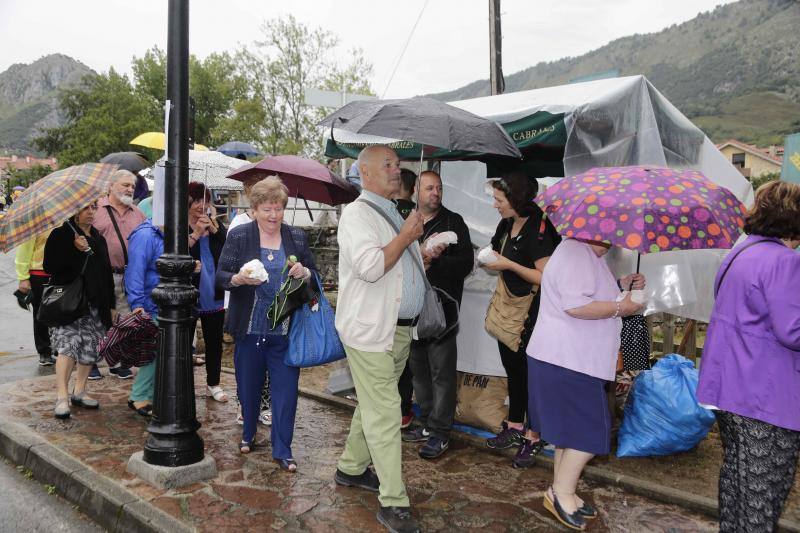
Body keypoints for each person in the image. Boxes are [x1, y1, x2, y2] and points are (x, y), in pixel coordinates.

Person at [697, 181, 800, 532]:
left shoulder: (739, 253)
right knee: (763, 490)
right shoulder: (784, 262)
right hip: (765, 394)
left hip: (729, 387)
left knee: (737, 481)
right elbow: (792, 330)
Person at [333, 145, 427, 533]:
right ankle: (393, 500)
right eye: (386, 165)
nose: (396, 169)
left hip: (398, 328)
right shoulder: (357, 214)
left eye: (396, 163)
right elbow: (371, 267)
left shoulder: (393, 210)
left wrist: (421, 250)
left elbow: (395, 267)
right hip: (371, 330)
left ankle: (351, 467)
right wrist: (407, 237)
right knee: (387, 408)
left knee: (373, 402)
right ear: (365, 174)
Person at [526, 237, 644, 530]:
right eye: (609, 236)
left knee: (568, 432)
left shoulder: (583, 253)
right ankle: (560, 493)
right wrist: (623, 308)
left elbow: (585, 288)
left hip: (569, 358)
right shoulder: (576, 252)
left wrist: (620, 284)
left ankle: (563, 490)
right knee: (589, 433)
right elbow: (576, 305)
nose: (613, 242)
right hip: (567, 359)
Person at [216, 176, 316, 471]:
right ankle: (248, 434)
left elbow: (315, 274)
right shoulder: (240, 236)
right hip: (249, 329)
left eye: (278, 209)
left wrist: (305, 272)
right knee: (248, 389)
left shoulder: (296, 237)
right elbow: (221, 275)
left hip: (286, 331)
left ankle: (283, 449)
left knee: (285, 393)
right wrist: (238, 279)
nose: (273, 216)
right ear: (255, 209)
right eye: (267, 209)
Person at [481, 173, 560, 468]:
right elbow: (496, 251)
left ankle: (534, 436)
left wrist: (508, 264)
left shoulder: (540, 229)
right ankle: (515, 426)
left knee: (532, 374)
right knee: (513, 368)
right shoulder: (506, 223)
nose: (494, 205)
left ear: (516, 200)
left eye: (499, 200)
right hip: (509, 308)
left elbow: (547, 276)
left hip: (533, 311)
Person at [401, 170, 474, 459]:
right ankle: (426, 422)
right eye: (429, 188)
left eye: (439, 188)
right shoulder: (408, 221)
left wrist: (436, 262)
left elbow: (466, 263)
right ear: (416, 191)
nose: (435, 193)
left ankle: (441, 431)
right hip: (412, 306)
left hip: (443, 309)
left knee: (442, 372)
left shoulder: (453, 221)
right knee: (418, 369)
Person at [44, 200, 116, 419]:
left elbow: (106, 275)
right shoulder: (61, 234)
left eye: (94, 207)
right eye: (86, 208)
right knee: (67, 347)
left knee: (89, 349)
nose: (91, 211)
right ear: (74, 211)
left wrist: (111, 305)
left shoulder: (98, 238)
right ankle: (61, 396)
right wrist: (74, 250)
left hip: (95, 303)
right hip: (70, 304)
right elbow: (50, 266)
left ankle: (80, 390)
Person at [90, 169, 146, 380]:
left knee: (124, 319)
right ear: (111, 186)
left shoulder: (138, 213)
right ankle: (91, 361)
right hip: (102, 274)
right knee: (97, 317)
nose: (130, 189)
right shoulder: (96, 210)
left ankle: (118, 361)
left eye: (132, 186)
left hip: (129, 275)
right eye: (125, 185)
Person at [229, 179, 272, 427]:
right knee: (246, 361)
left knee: (267, 359)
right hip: (245, 303)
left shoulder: (281, 227)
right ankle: (244, 403)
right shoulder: (239, 225)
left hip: (270, 306)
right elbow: (229, 268)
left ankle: (265, 403)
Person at [188, 182, 228, 403]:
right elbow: (178, 252)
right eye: (196, 201)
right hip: (191, 292)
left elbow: (230, 248)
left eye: (205, 200)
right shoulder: (180, 226)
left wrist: (215, 230)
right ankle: (184, 383)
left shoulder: (216, 226)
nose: (201, 205)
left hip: (214, 291)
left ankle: (213, 383)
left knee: (214, 341)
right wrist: (196, 232)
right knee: (184, 343)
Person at [124, 218, 164, 417]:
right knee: (152, 352)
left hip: (162, 303)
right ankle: (139, 396)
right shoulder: (146, 235)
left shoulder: (164, 234)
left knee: (157, 352)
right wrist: (137, 304)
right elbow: (135, 272)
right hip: (149, 303)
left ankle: (147, 394)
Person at [392, 167, 418, 429]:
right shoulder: (414, 215)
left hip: (394, 300)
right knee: (405, 362)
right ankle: (403, 409)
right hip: (408, 303)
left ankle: (399, 410)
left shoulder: (394, 213)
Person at [15, 231, 56, 366]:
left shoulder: (64, 221)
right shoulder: (35, 226)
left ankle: (61, 348)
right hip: (38, 274)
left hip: (60, 273)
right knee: (41, 314)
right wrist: (23, 278)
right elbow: (23, 251)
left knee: (63, 311)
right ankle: (44, 351)